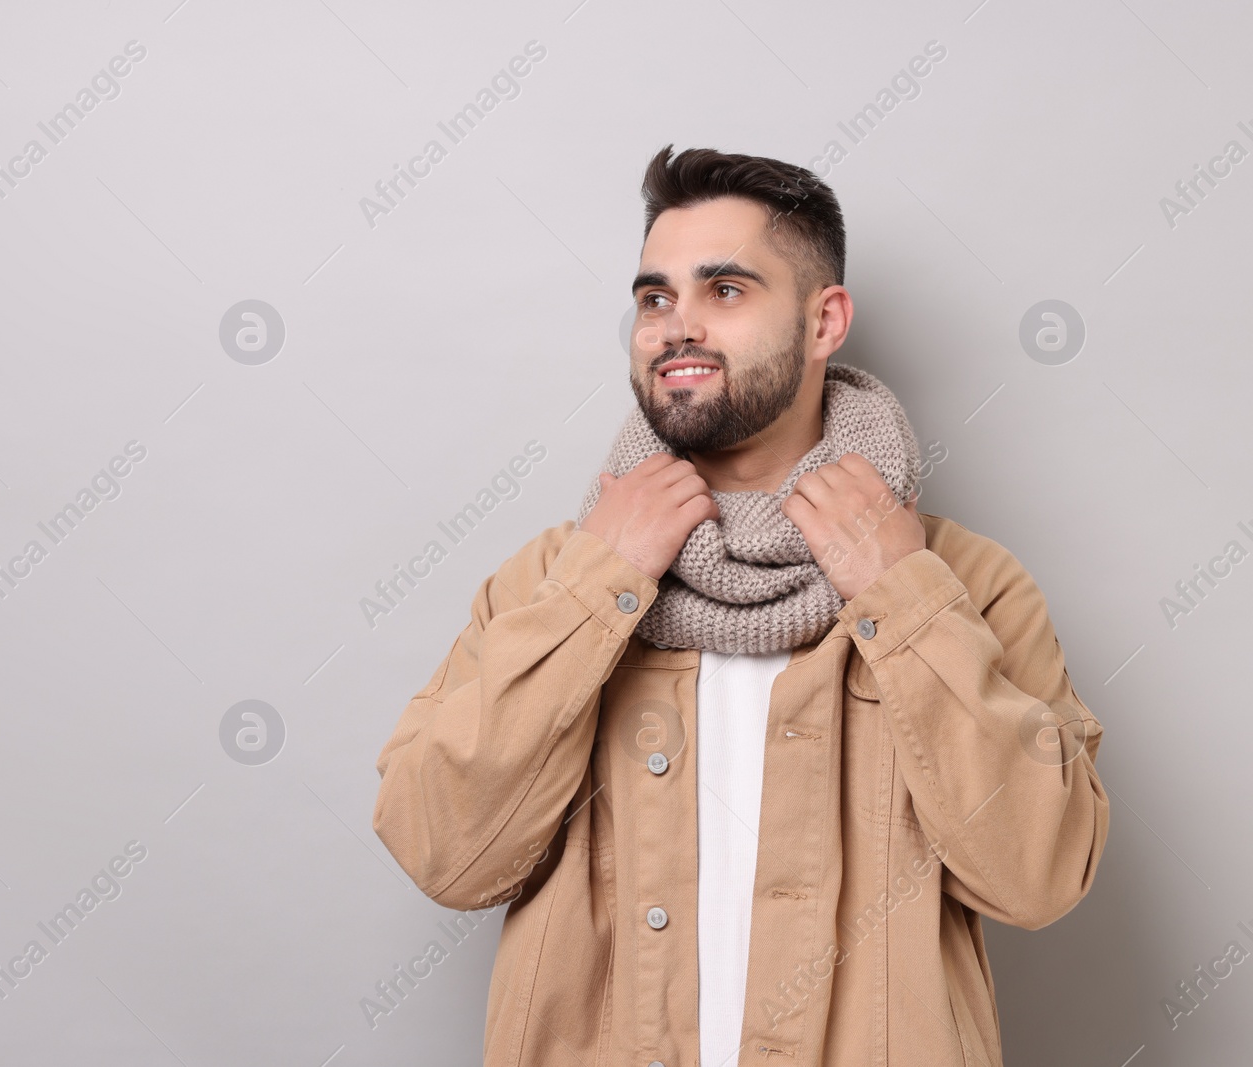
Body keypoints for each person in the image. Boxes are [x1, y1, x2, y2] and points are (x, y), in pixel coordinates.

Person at [372, 145, 1109, 1066]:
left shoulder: (962, 580)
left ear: (825, 320)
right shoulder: (552, 580)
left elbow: (1040, 874)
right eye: (655, 297)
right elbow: (447, 855)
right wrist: (603, 585)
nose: (677, 325)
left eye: (725, 290)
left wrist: (898, 594)